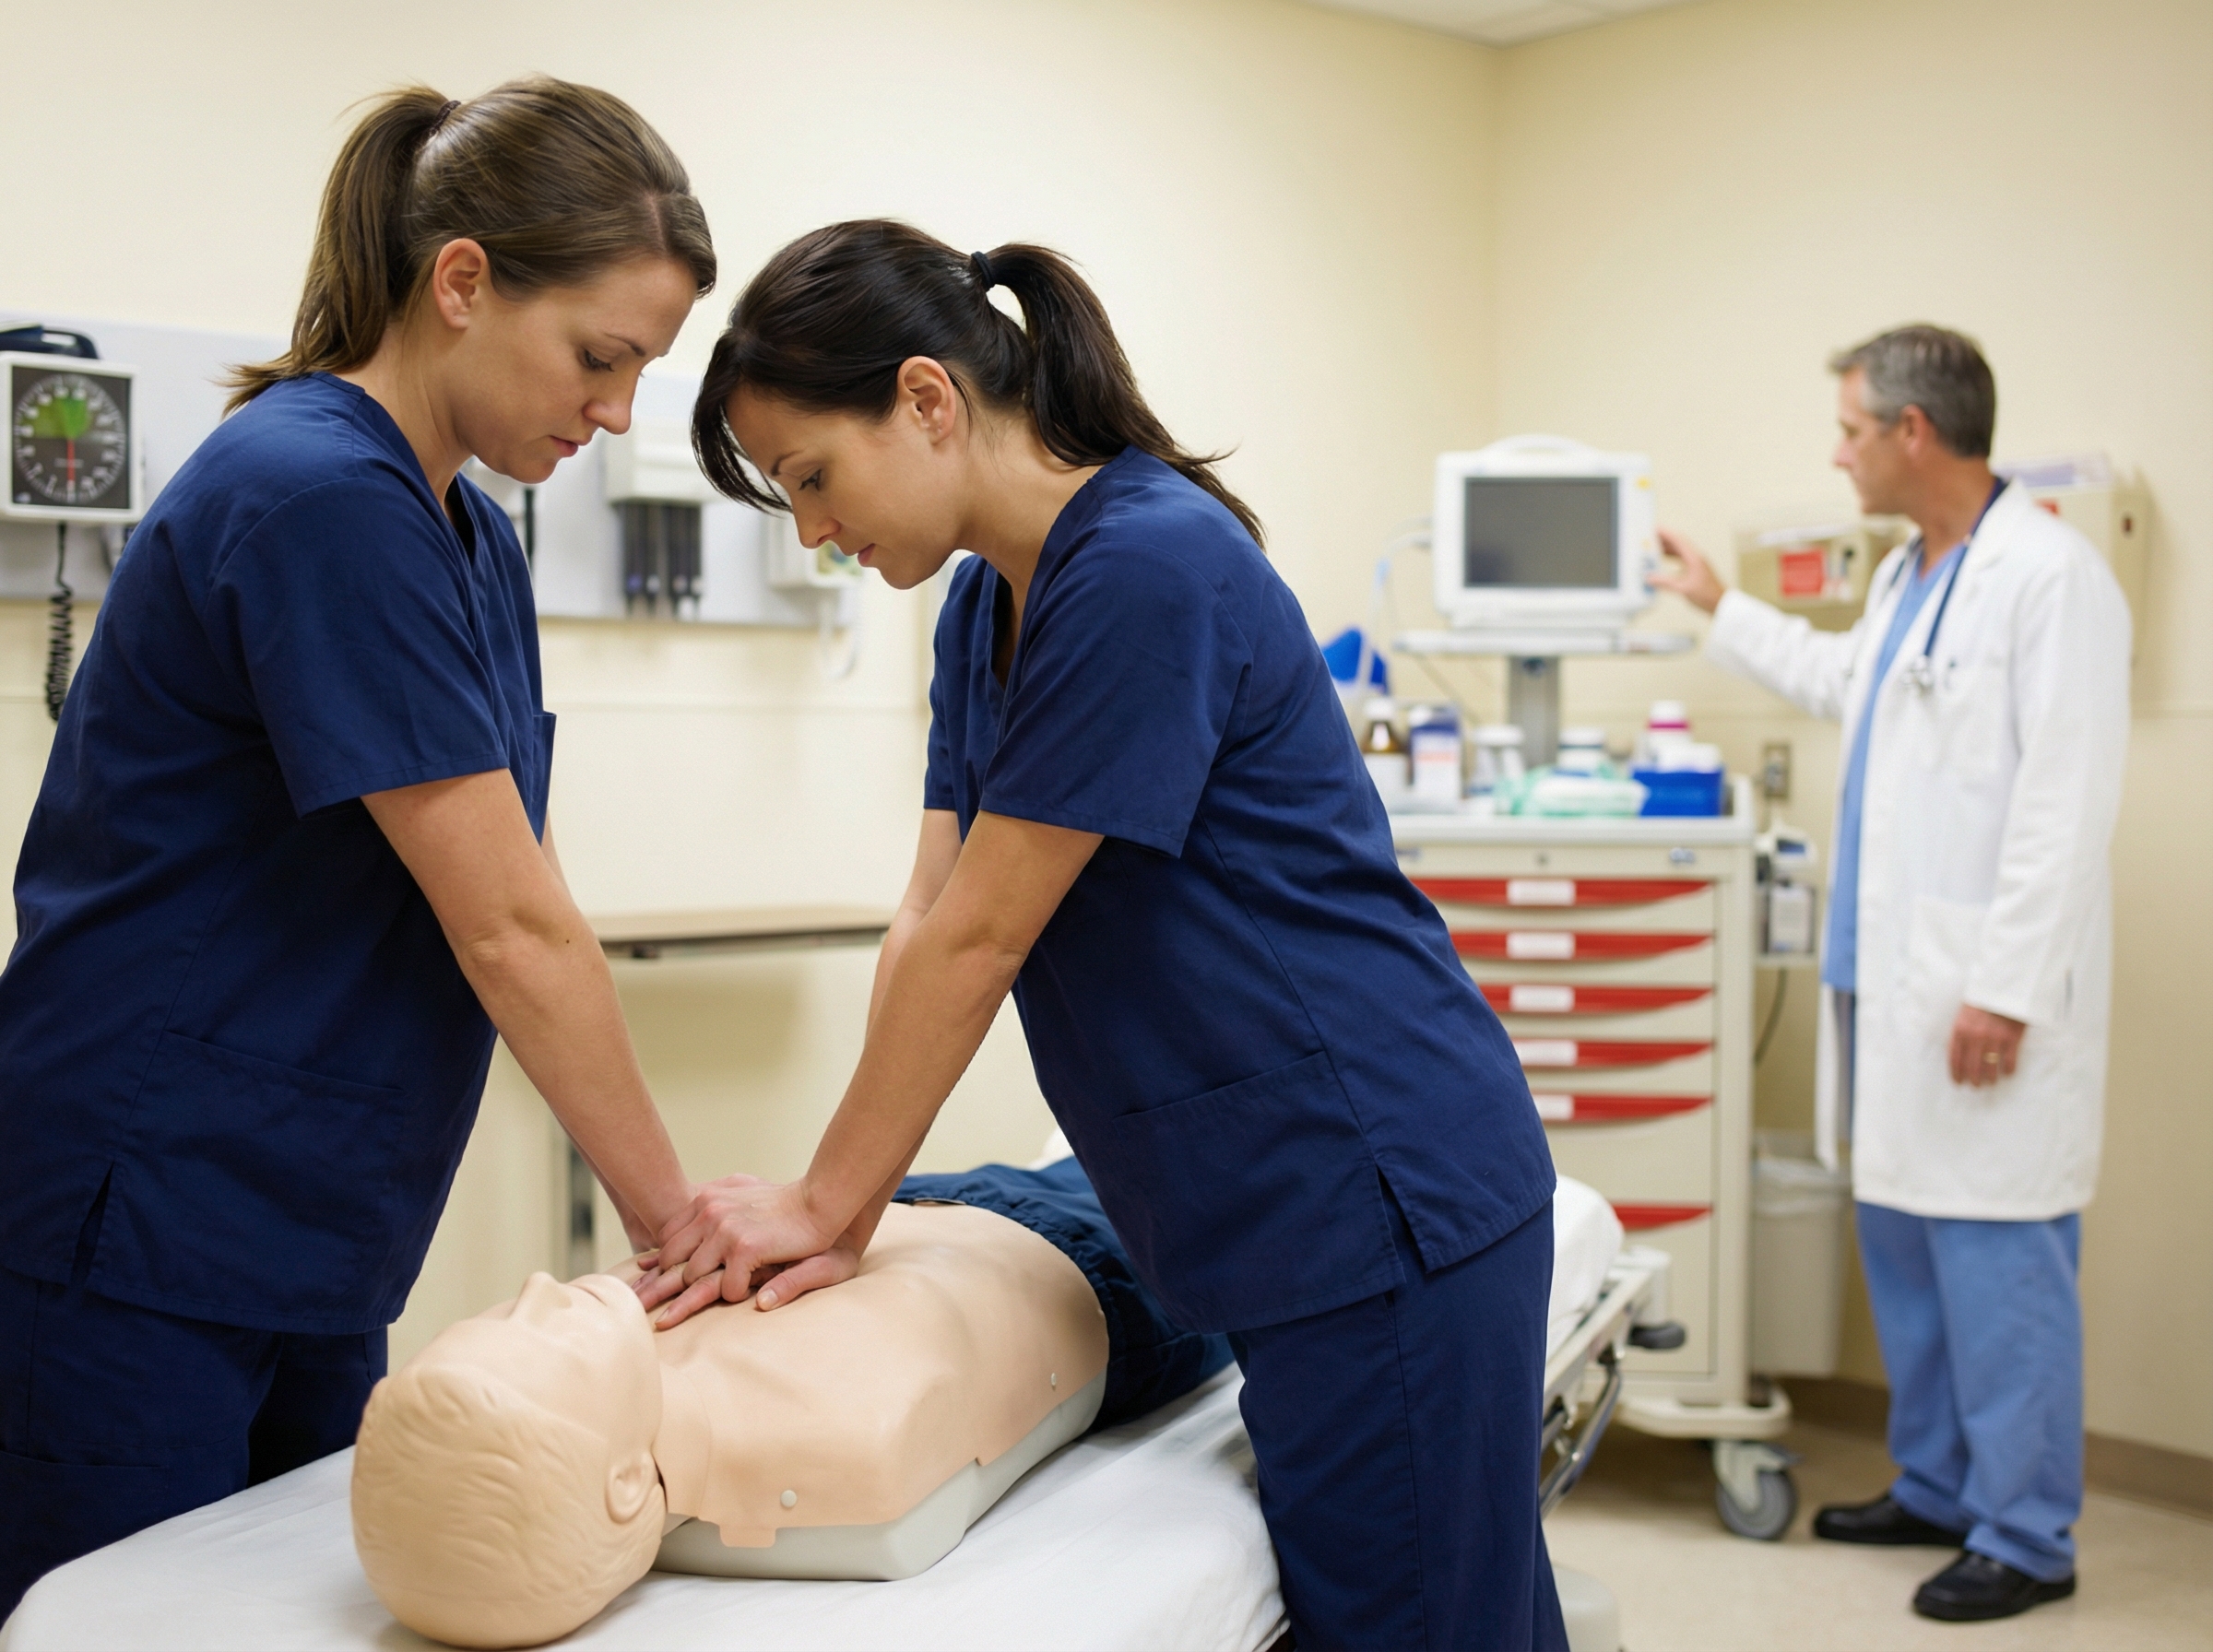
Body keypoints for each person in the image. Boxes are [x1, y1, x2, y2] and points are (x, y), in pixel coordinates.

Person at [645, 220, 1568, 1650]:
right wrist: (842, 1200)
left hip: (1379, 1190)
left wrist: (830, 1203)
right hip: (1268, 1201)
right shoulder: (979, 609)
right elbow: (927, 921)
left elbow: (982, 946)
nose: (814, 530)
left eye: (814, 477)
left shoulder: (1145, 568)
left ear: (929, 398)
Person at [0, 78, 725, 1616]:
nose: (614, 415)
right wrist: (681, 1240)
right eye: (599, 357)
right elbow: (513, 929)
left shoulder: (462, 527)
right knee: (113, 1623)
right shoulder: (316, 493)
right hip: (143, 1211)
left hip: (312, 1218)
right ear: (460, 282)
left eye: (640, 374)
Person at [1656, 324, 2129, 1623]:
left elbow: (2065, 806)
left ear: (1914, 433)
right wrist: (1718, 603)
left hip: (1981, 993)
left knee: (2000, 1256)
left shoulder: (2052, 578)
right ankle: (1934, 1482)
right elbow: (1840, 683)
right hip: (1893, 984)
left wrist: (2008, 988)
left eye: (1853, 428)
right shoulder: (1904, 581)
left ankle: (2028, 1534)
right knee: (1910, 1241)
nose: (1839, 451)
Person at [348, 1156, 1229, 1648]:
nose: (544, 1285)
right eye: (538, 1337)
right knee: (1237, 1171)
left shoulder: (602, 1364)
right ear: (623, 1490)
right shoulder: (842, 1448)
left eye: (500, 1314)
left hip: (899, 1201)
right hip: (1082, 1264)